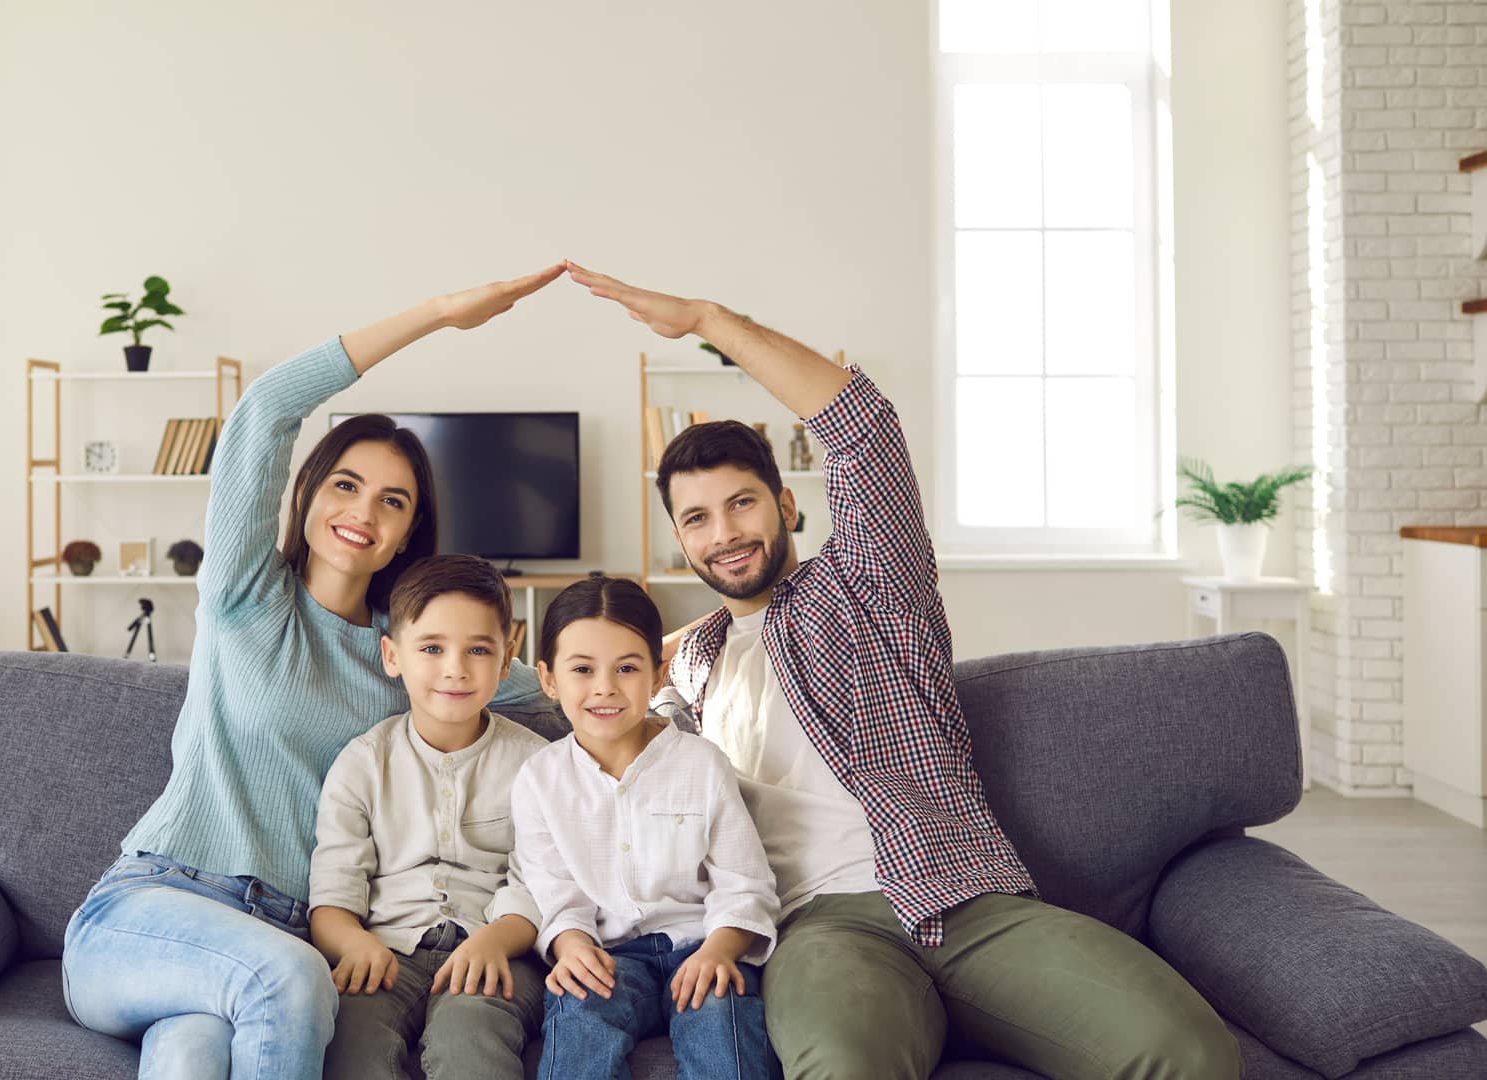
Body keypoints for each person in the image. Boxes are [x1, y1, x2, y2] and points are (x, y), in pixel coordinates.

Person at [567, 263, 1240, 1080]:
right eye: (697, 519)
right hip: (819, 927)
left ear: (786, 506)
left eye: (742, 503)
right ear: (681, 540)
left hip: (963, 897)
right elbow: (589, 718)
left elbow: (864, 427)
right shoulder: (696, 660)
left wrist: (710, 317)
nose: (724, 534)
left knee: (1189, 1053)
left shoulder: (869, 584)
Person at [60, 263, 567, 1080]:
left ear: (410, 534)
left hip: (287, 933)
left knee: (192, 1056)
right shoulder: (244, 597)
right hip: (156, 907)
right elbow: (264, 408)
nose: (363, 513)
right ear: (305, 495)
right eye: (346, 485)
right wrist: (438, 311)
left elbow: (570, 681)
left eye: (393, 502)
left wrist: (710, 648)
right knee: (290, 980)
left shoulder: (416, 659)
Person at [511, 576, 781, 1080]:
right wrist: (572, 947)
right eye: (582, 669)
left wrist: (720, 950)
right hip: (609, 955)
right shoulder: (538, 780)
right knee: (580, 1014)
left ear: (657, 676)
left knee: (720, 1013)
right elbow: (553, 891)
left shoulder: (702, 765)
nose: (605, 687)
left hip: (699, 944)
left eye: (627, 668)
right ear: (548, 679)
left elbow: (745, 882)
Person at [309, 553, 549, 1079]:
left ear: (507, 661)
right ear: (392, 656)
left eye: (478, 650)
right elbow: (331, 899)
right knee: (350, 1037)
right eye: (432, 648)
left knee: (469, 1031)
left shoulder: (536, 766)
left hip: (499, 948)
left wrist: (495, 938)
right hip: (387, 950)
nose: (455, 669)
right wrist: (356, 946)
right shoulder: (363, 763)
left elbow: (540, 884)